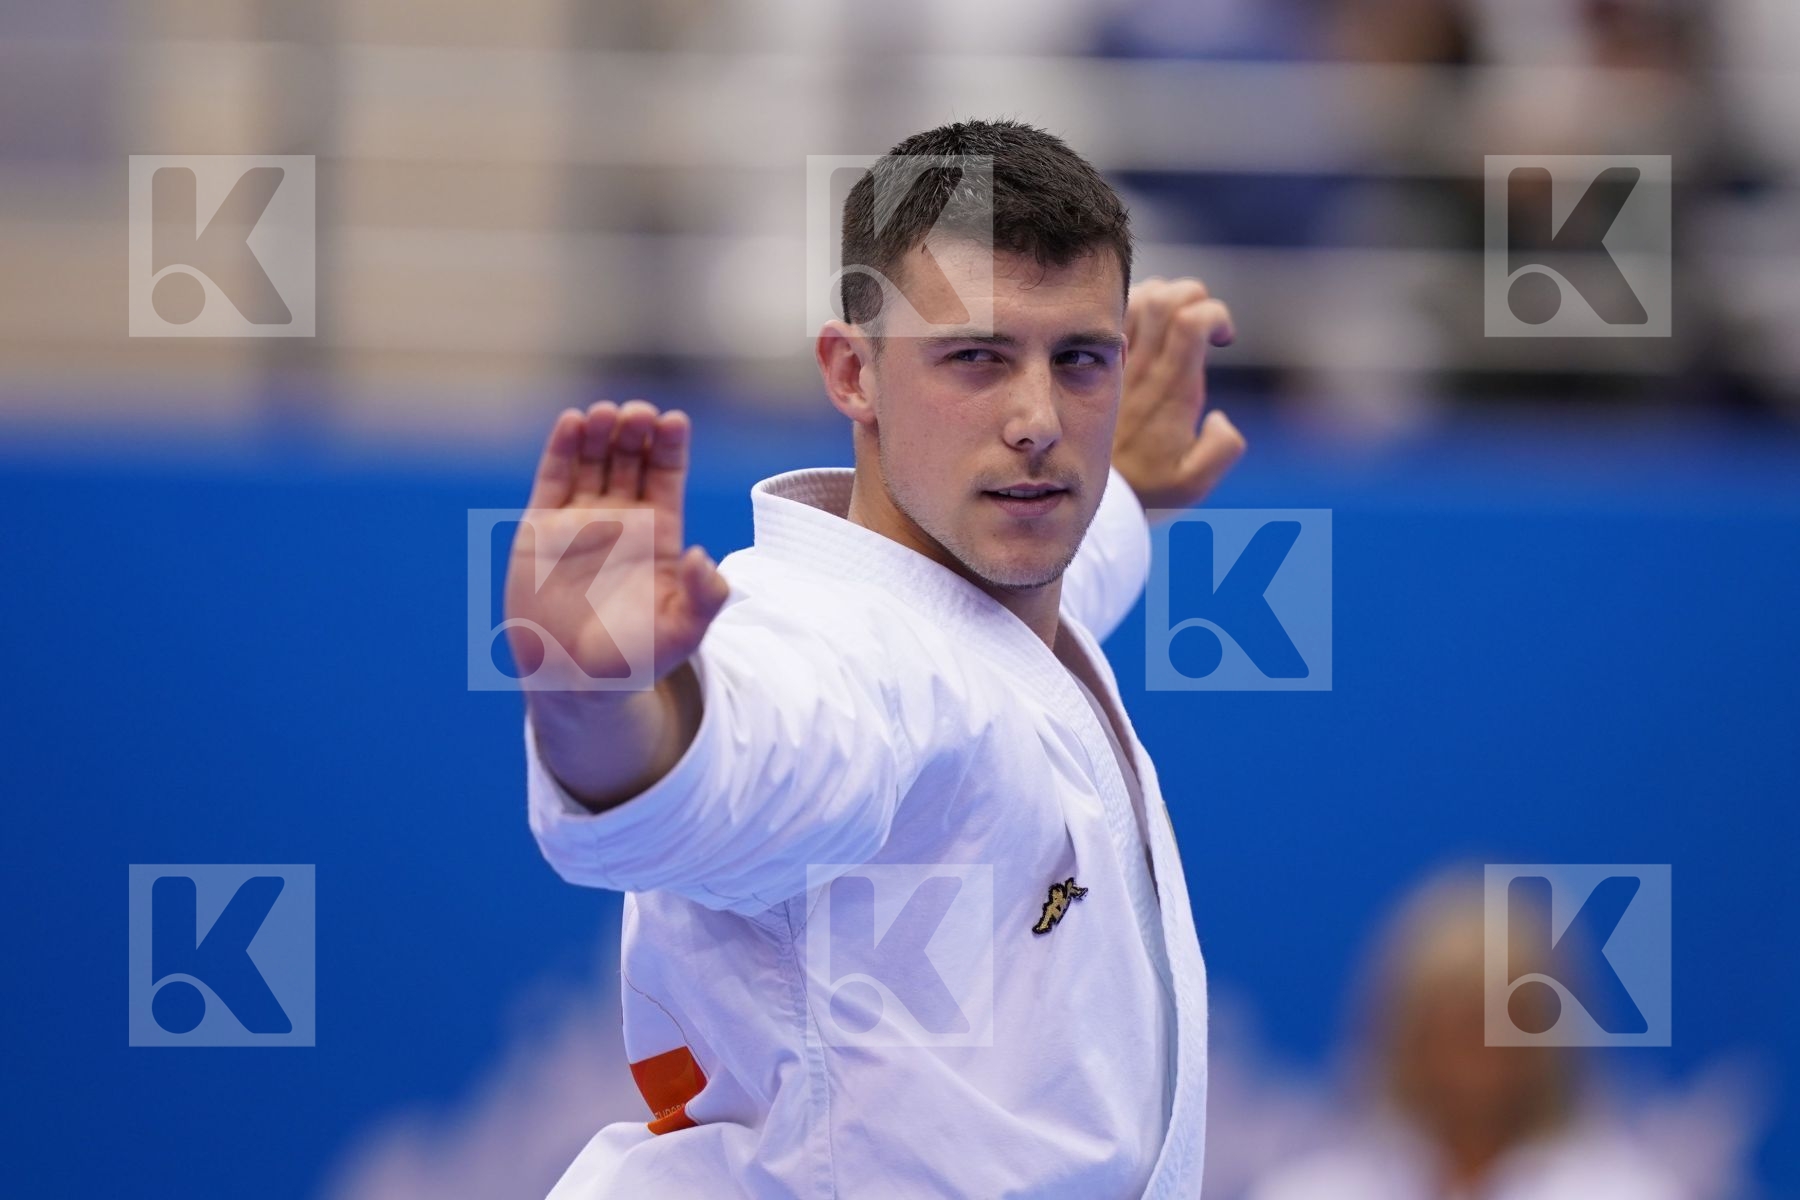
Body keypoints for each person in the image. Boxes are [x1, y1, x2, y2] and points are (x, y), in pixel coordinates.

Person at [507, 119, 1245, 1199]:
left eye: (1079, 360)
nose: (1039, 420)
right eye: (977, 359)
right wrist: (597, 699)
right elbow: (725, 762)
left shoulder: (990, 602)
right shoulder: (844, 651)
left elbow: (1047, 602)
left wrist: (1126, 483)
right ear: (852, 372)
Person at [1247, 872, 1687, 1200]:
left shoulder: (1629, 1191)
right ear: (1405, 1035)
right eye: (1458, 1022)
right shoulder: (1311, 1192)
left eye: (1508, 1020)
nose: (1479, 1053)